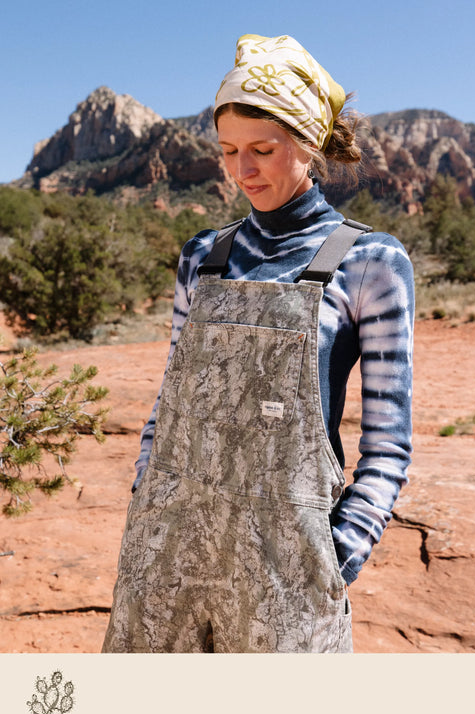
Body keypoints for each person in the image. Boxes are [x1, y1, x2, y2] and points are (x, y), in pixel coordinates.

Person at [103, 34, 415, 652]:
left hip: (288, 574)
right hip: (164, 558)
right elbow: (168, 407)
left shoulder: (371, 261)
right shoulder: (203, 256)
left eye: (263, 150)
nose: (242, 170)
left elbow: (389, 445)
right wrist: (147, 500)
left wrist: (334, 562)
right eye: (227, 151)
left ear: (307, 143)